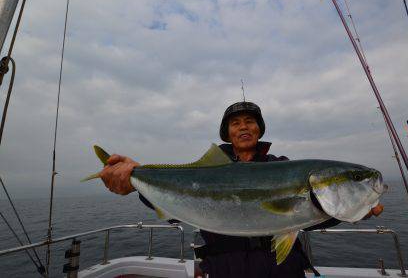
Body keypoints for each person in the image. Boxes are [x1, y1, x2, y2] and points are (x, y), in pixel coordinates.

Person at [99, 101, 380, 278]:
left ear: (259, 129)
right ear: (227, 133)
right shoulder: (205, 173)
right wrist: (135, 179)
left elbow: (310, 215)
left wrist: (349, 211)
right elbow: (178, 204)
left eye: (250, 121)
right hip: (224, 268)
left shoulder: (281, 166)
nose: (243, 127)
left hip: (282, 270)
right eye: (236, 123)